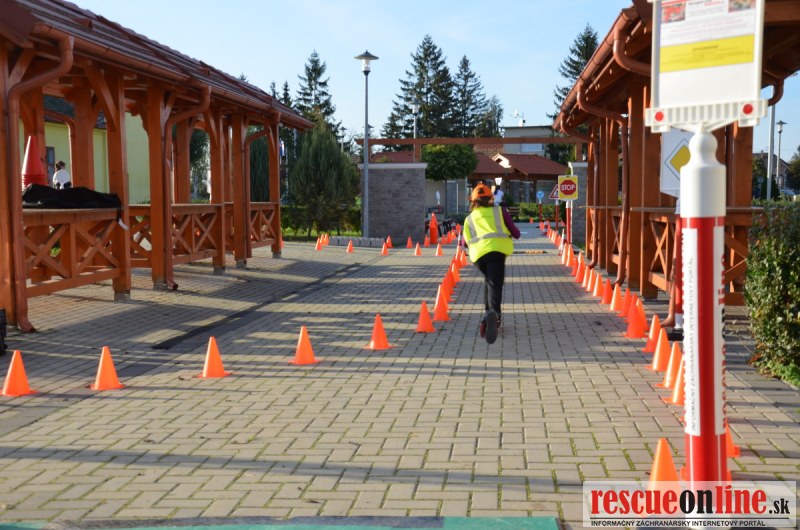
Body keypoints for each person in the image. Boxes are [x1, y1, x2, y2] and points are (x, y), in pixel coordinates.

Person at [462, 183, 520, 344]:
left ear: (473, 201)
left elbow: (465, 242)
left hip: (478, 256)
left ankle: (489, 313)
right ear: (490, 198)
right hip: (497, 252)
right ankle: (494, 313)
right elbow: (516, 233)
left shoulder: (469, 218)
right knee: (495, 284)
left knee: (489, 281)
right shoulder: (500, 212)